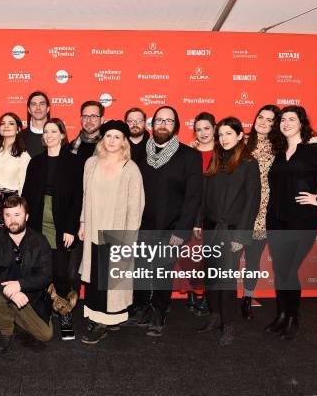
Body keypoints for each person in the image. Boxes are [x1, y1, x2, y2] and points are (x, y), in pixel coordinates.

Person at [265, 105, 317, 340]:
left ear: (302, 123)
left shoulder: (314, 150)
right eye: (282, 120)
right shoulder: (279, 152)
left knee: (290, 270)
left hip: (302, 219)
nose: (286, 123)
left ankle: (293, 318)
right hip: (276, 219)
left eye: (292, 119)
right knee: (280, 270)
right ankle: (281, 314)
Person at [134, 106, 202, 337]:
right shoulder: (139, 153)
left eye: (169, 121)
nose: (163, 124)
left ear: (176, 126)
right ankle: (141, 308)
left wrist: (181, 231)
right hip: (140, 226)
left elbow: (193, 198)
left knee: (162, 272)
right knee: (141, 270)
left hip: (171, 227)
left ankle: (159, 311)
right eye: (159, 120)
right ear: (152, 125)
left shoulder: (189, 156)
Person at [194, 117, 261, 346]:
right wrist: (197, 221)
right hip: (211, 228)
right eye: (220, 135)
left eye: (228, 134)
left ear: (240, 135)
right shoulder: (215, 158)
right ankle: (214, 315)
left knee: (226, 280)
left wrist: (241, 236)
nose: (223, 139)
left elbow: (252, 202)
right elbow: (203, 196)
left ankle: (228, 324)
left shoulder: (249, 163)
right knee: (211, 276)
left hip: (232, 231)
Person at [79, 120, 145, 344]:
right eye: (108, 136)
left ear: (124, 141)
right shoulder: (91, 163)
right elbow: (85, 197)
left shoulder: (130, 168)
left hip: (117, 231)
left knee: (112, 279)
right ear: (102, 139)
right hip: (94, 226)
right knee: (95, 276)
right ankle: (99, 317)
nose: (112, 141)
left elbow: (135, 207)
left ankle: (105, 321)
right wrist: (82, 223)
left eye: (117, 137)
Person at [22, 118, 83, 340]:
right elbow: (26, 194)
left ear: (62, 134)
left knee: (60, 272)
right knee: (38, 270)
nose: (49, 135)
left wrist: (70, 228)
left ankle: (65, 313)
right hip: (37, 221)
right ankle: (42, 312)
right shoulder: (35, 162)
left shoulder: (74, 162)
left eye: (53, 131)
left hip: (62, 222)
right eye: (46, 131)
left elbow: (78, 198)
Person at [0, 196, 53, 355]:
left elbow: (46, 275)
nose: (12, 220)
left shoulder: (40, 241)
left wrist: (20, 285)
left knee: (45, 335)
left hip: (29, 296)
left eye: (17, 215)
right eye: (8, 215)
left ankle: (9, 313)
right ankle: (7, 330)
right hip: (1, 291)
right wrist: (11, 291)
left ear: (26, 216)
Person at [240, 105, 280, 319]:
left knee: (253, 260)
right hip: (238, 209)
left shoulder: (279, 147)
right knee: (230, 258)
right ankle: (223, 300)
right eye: (260, 117)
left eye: (270, 120)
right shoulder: (242, 141)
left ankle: (247, 298)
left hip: (263, 211)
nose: (263, 122)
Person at [185, 111, 216, 315]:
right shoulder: (189, 153)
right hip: (193, 211)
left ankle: (208, 296)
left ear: (214, 129)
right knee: (192, 256)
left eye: (206, 128)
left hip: (215, 212)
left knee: (211, 257)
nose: (203, 133)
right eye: (198, 129)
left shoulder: (223, 153)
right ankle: (193, 292)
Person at [0, 112, 30, 235]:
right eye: (3, 123)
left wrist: (18, 210)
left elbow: (23, 186)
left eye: (11, 123)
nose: (6, 126)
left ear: (18, 129)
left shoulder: (23, 156)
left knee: (8, 241)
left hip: (10, 203)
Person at [70, 100, 105, 166]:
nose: (89, 120)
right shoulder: (72, 146)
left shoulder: (108, 145)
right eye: (85, 116)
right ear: (81, 119)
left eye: (93, 116)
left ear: (102, 119)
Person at [24, 91, 51, 158]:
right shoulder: (20, 137)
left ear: (48, 109)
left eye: (42, 104)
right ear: (29, 110)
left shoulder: (58, 135)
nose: (38, 107)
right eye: (34, 104)